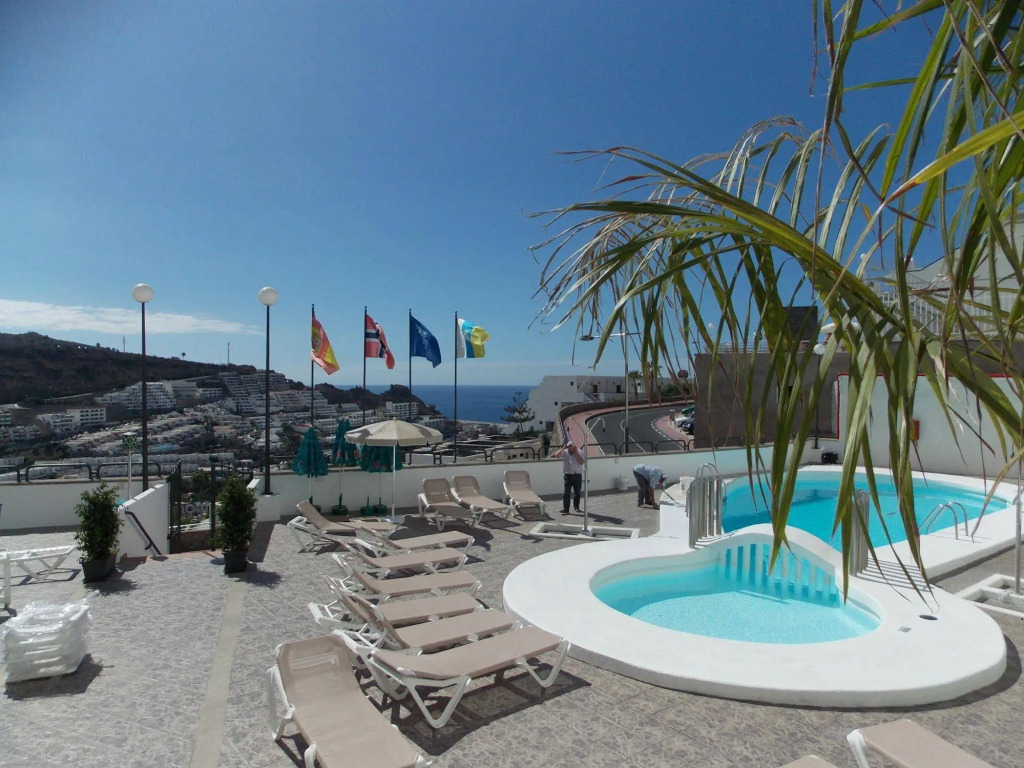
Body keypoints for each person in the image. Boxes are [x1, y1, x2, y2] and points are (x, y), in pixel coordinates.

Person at [553, 440, 586, 514]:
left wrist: (576, 454)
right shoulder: (565, 451)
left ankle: (576, 507)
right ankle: (566, 509)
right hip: (568, 475)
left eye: (571, 448)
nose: (570, 450)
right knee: (566, 493)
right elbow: (556, 455)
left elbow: (582, 462)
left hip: (577, 475)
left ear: (574, 447)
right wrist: (563, 448)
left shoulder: (580, 452)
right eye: (568, 448)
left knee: (577, 493)